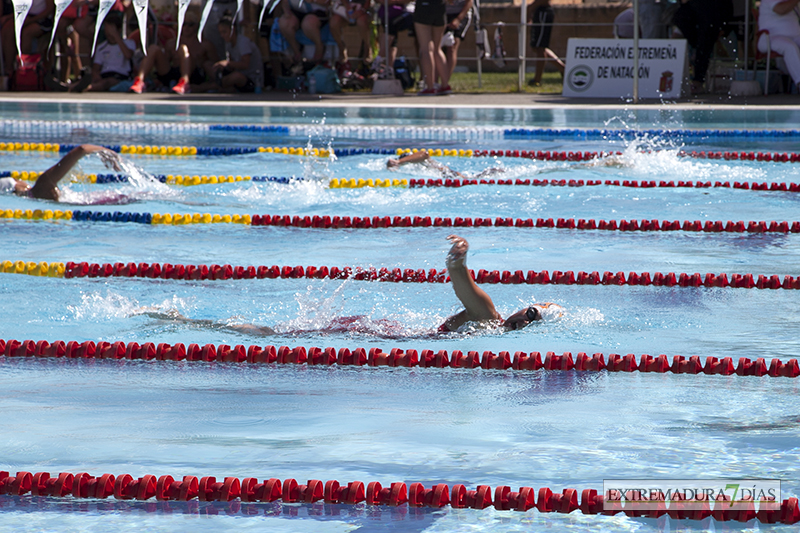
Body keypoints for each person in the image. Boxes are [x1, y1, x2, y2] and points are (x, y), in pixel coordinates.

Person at [439, 235, 562, 332]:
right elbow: (466, 289)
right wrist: (457, 263)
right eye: (531, 314)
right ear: (526, 308)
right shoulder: (487, 319)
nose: (525, 322)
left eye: (534, 324)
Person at [130, 13, 218, 94]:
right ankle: (139, 81)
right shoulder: (171, 43)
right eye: (183, 24)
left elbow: (214, 65)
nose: (186, 27)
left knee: (183, 49)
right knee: (154, 48)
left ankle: (185, 82)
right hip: (174, 73)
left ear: (196, 26)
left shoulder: (205, 45)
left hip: (194, 75)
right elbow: (166, 64)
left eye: (190, 25)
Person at [0, 144, 120, 201]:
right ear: (17, 186)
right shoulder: (42, 185)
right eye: (15, 180)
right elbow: (82, 149)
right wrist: (106, 151)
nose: (20, 180)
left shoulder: (38, 195)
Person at [672, 0, 732, 93]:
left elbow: (727, 5)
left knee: (705, 42)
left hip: (712, 13)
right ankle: (696, 49)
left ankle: (698, 81)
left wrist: (724, 26)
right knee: (680, 18)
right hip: (694, 11)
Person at [71, 11, 136, 92]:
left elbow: (128, 55)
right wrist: (96, 75)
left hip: (120, 77)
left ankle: (86, 88)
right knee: (99, 80)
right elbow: (96, 67)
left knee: (108, 82)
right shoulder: (101, 47)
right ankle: (69, 87)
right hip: (104, 75)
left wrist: (116, 36)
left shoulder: (129, 43)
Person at [211, 13, 263, 92]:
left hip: (251, 80)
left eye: (224, 32)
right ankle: (220, 86)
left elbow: (245, 64)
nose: (222, 35)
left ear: (233, 29)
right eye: (220, 33)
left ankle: (212, 87)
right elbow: (233, 65)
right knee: (209, 65)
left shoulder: (243, 42)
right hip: (238, 73)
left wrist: (227, 63)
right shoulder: (228, 43)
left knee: (236, 77)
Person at [758, 0, 800, 91]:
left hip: (795, 37)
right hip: (770, 37)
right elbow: (781, 10)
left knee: (790, 44)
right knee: (789, 47)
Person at [386, 149, 504, 179]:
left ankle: (492, 172)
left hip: (451, 175)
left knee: (473, 178)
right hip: (451, 176)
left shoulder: (422, 159)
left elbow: (424, 153)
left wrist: (399, 162)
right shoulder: (416, 165)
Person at [413, 0, 449, 94]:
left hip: (424, 7)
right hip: (439, 7)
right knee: (437, 49)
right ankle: (445, 85)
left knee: (426, 49)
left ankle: (430, 87)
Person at [527, 0, 564, 87]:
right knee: (536, 47)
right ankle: (562, 68)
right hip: (538, 11)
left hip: (543, 12)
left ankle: (537, 79)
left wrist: (530, 7)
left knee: (540, 47)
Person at [330, 0, 372, 71]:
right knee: (334, 22)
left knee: (362, 22)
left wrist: (362, 10)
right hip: (344, 10)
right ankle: (341, 46)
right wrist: (347, 7)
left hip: (362, 10)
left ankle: (367, 47)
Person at [440, 0, 472, 85]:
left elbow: (469, 2)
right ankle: (434, 82)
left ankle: (445, 83)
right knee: (437, 48)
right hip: (442, 13)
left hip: (460, 14)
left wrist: (458, 19)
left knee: (452, 47)